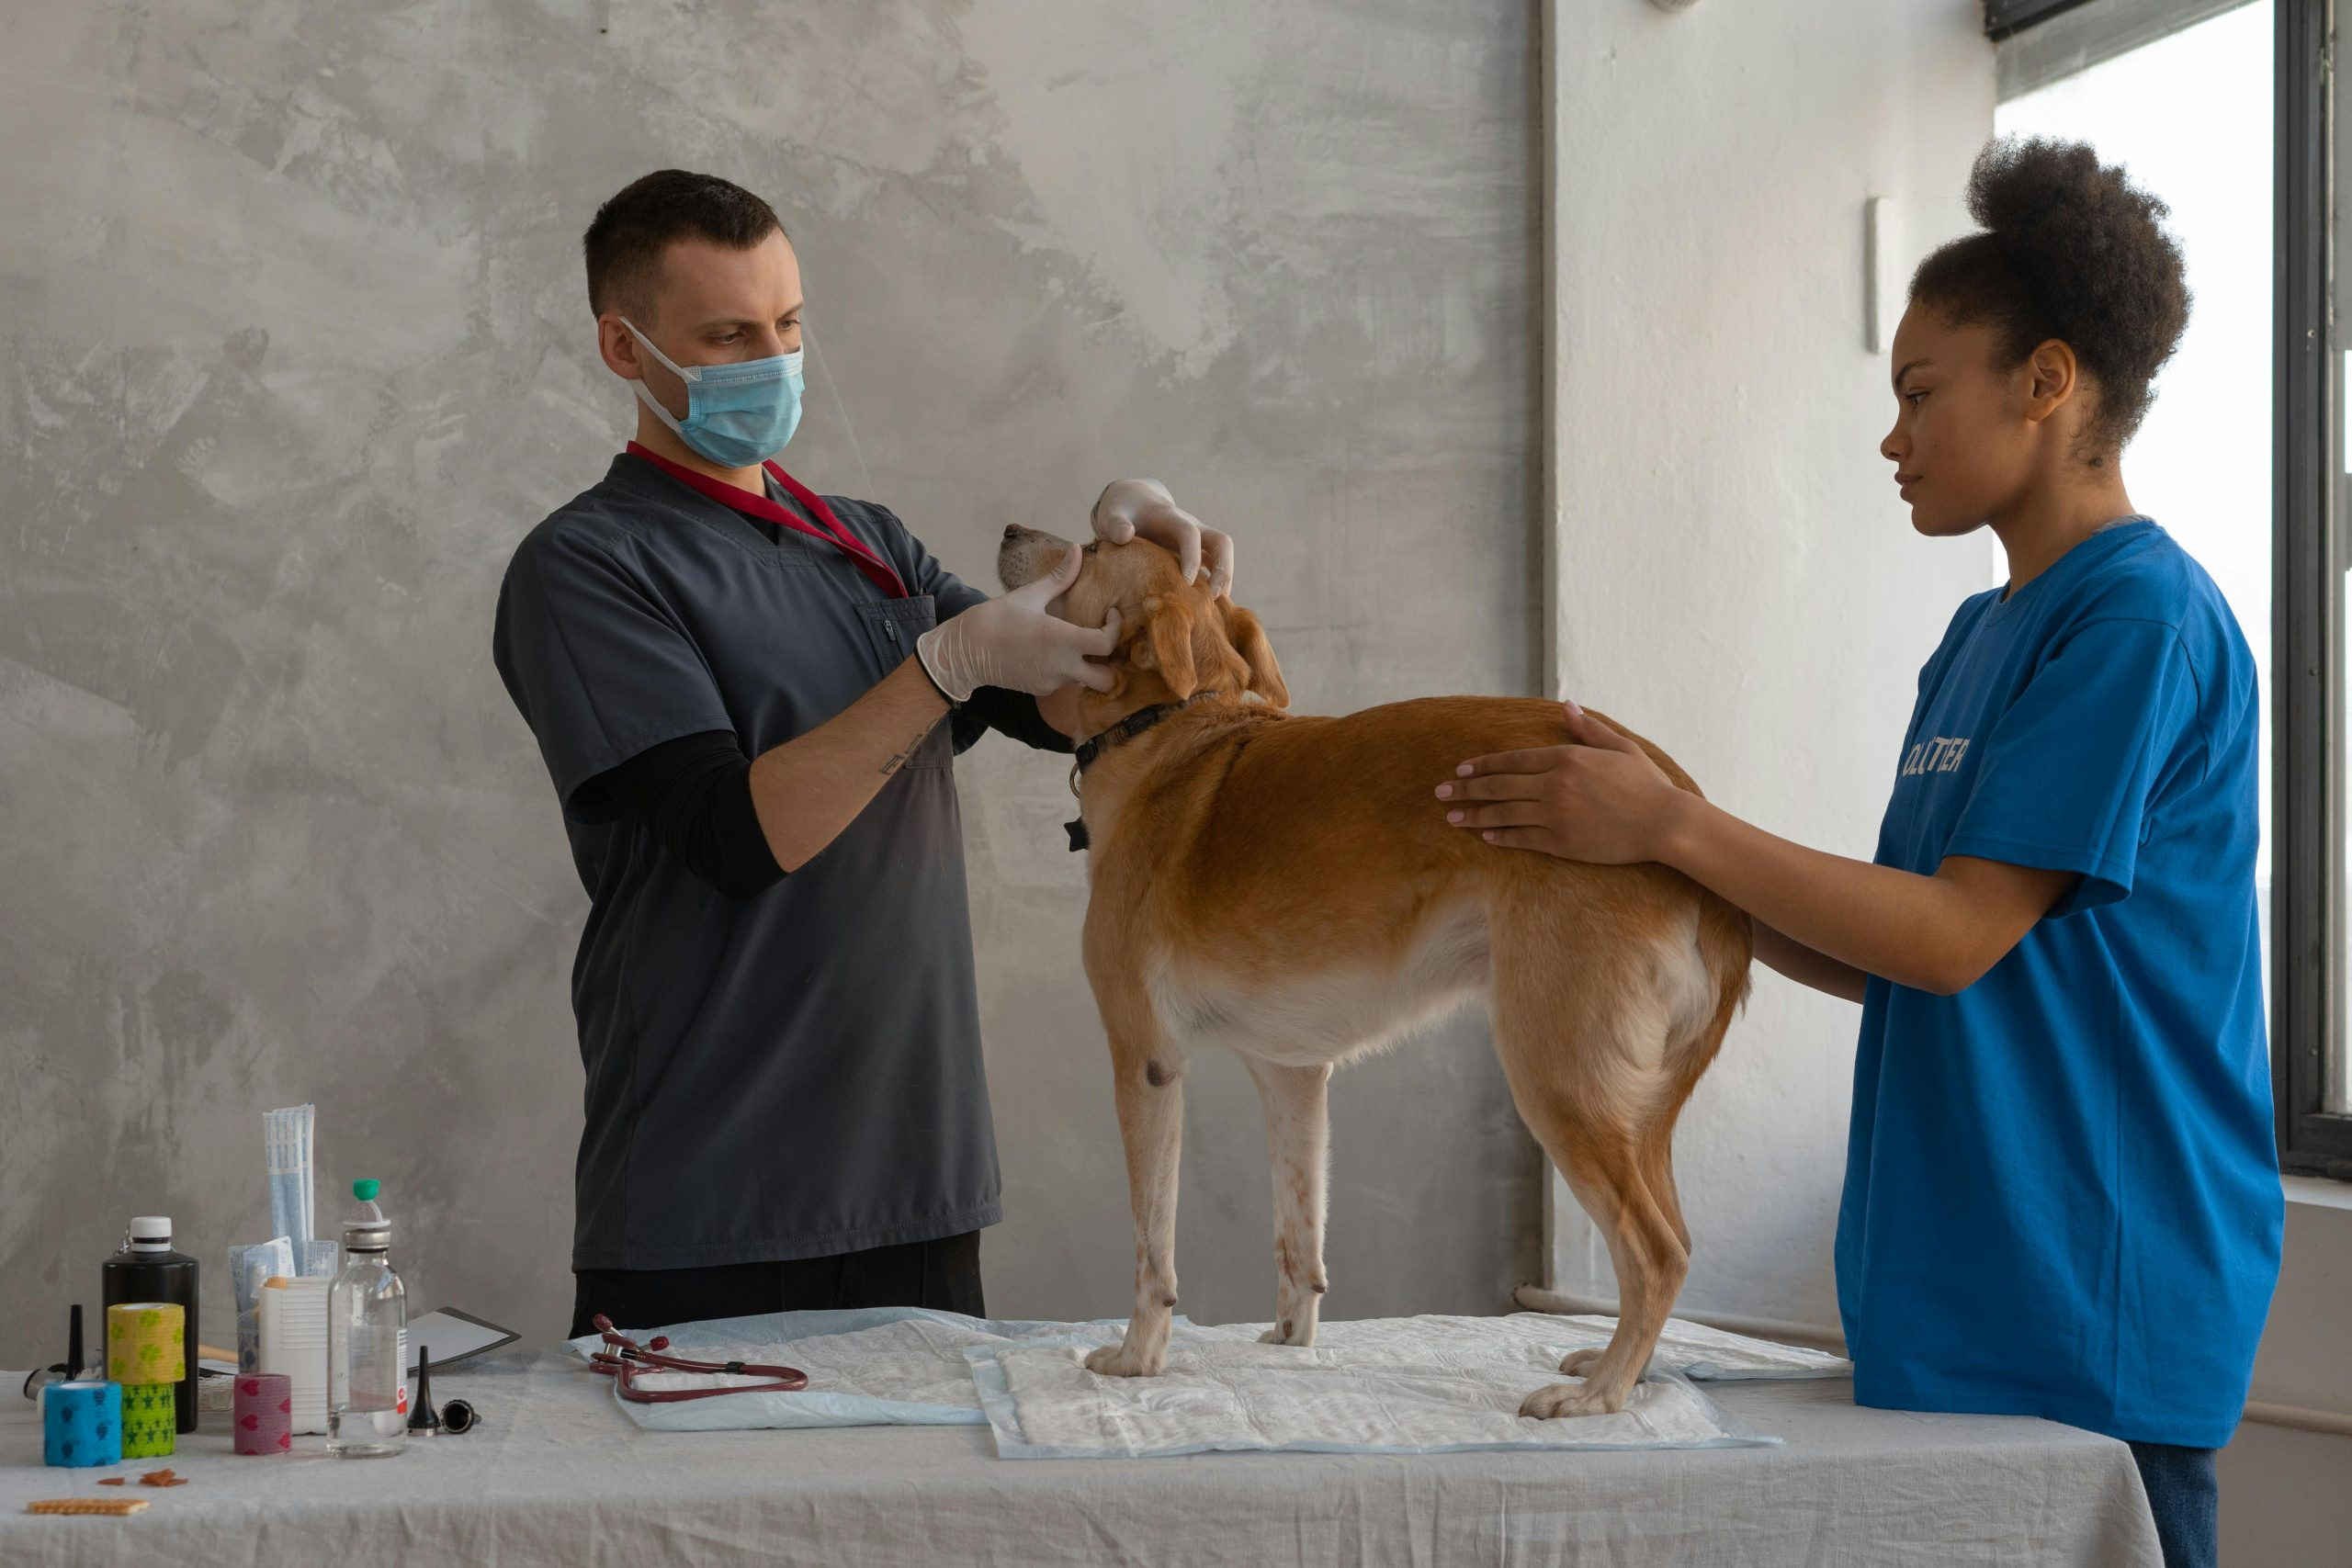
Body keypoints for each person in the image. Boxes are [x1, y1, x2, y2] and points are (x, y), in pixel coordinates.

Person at [1433, 138, 2279, 1568]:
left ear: (2047, 381)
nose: (1894, 437)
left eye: (1919, 392)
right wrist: (1656, 860)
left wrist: (1677, 824)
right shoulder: (1976, 636)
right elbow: (1893, 947)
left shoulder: (2135, 619)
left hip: (2094, 1296)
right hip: (1950, 1292)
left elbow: (1953, 938)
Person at [492, 169, 1233, 1340]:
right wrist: (942, 666)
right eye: (729, 336)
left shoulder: (865, 543)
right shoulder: (589, 566)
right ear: (624, 347)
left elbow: (1068, 702)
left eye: (788, 324)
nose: (774, 359)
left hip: (916, 1189)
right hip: (710, 1205)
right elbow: (736, 837)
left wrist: (1130, 563)